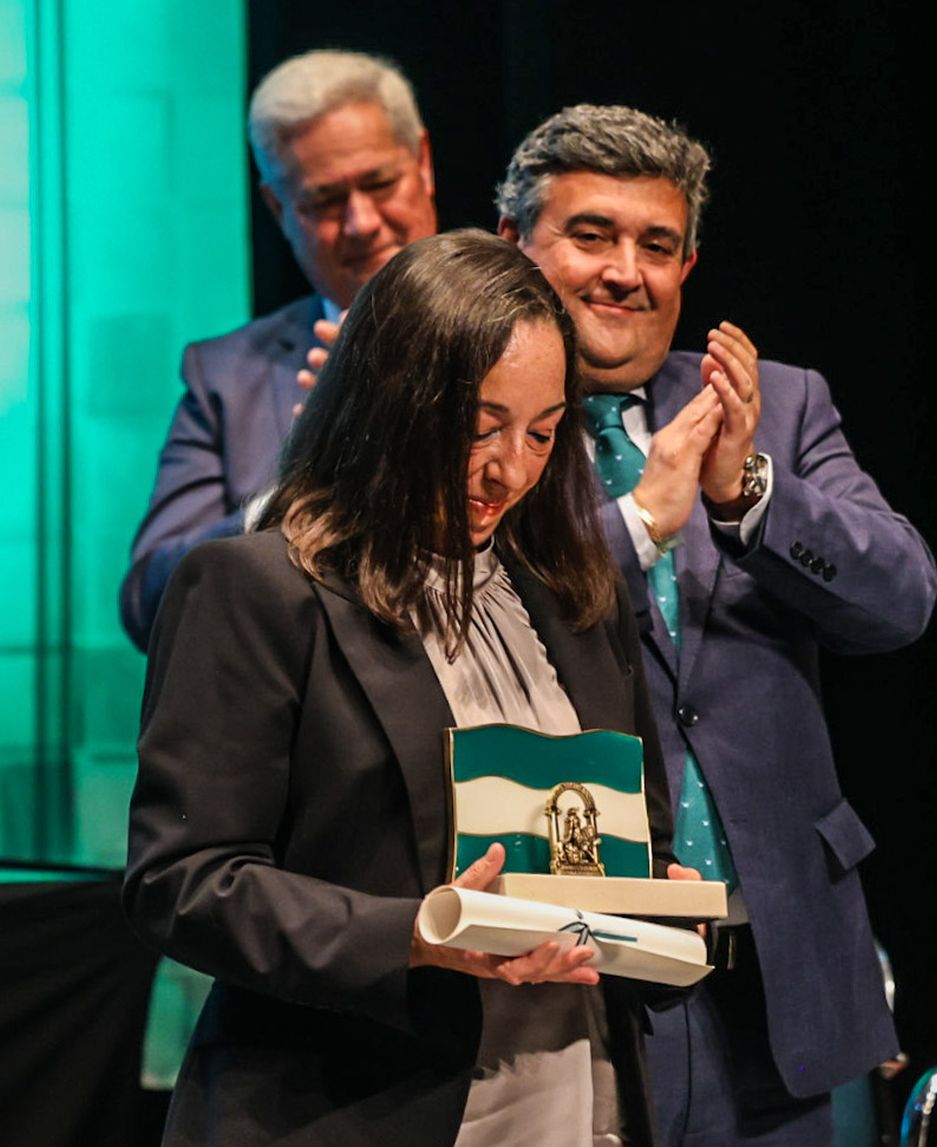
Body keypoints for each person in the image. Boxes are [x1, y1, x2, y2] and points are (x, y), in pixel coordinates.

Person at [123, 231, 691, 1144]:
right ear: (395, 404)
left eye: (542, 431)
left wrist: (656, 900)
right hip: (353, 1107)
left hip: (576, 1101)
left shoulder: (578, 600)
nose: (508, 467)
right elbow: (182, 881)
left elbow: (635, 841)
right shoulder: (260, 589)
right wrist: (417, 931)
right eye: (478, 427)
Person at [497, 105, 937, 1146]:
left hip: (774, 968)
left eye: (656, 245)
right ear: (518, 247)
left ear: (688, 264)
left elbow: (900, 598)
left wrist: (747, 495)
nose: (624, 273)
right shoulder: (477, 417)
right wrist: (637, 520)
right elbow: (474, 618)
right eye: (590, 235)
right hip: (576, 966)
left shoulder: (773, 403)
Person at [118, 48, 439, 650]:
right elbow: (149, 603)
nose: (361, 223)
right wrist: (302, 475)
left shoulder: (526, 334)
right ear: (277, 208)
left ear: (423, 162)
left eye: (379, 183)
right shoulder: (225, 376)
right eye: (324, 201)